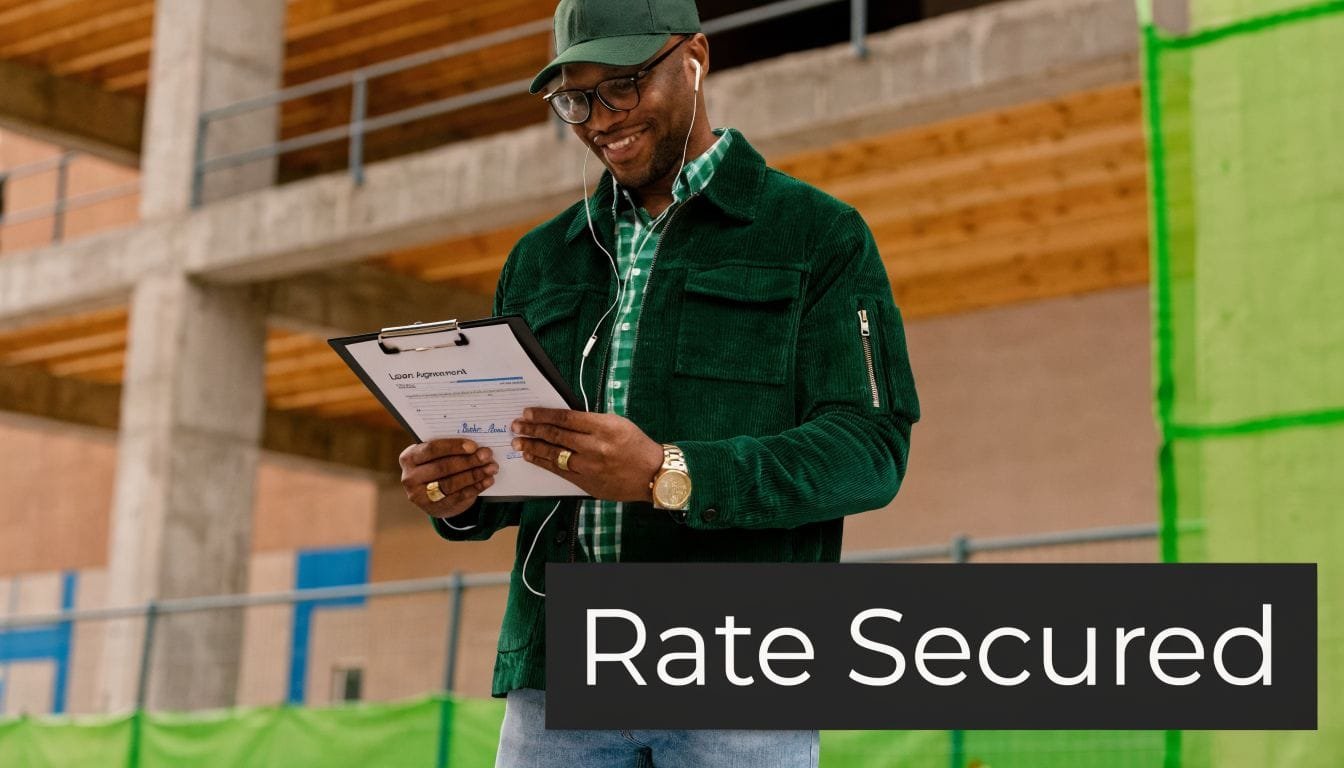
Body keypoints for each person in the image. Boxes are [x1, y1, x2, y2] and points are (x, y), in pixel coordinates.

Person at [397, 0, 919, 765]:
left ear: (696, 59)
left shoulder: (817, 236)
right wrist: (461, 491)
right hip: (560, 678)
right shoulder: (540, 262)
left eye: (624, 84)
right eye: (577, 99)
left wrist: (667, 473)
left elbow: (869, 450)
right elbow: (522, 470)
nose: (602, 119)